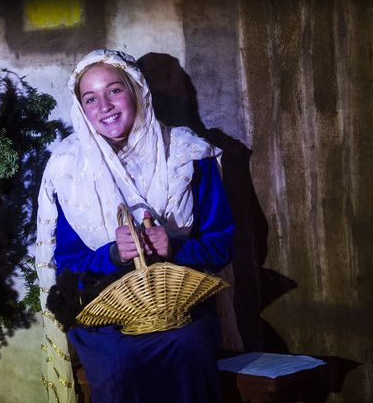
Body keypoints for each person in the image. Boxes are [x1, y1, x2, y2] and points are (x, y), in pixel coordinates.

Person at [35, 49, 235, 403]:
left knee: (188, 345)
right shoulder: (68, 169)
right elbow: (67, 264)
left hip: (179, 306)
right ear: (81, 108)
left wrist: (174, 246)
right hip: (103, 314)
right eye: (90, 98)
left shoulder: (187, 155)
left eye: (114, 90)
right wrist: (112, 255)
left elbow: (222, 246)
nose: (105, 107)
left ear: (137, 91)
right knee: (120, 363)